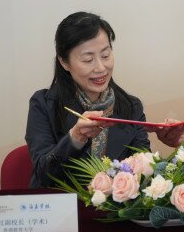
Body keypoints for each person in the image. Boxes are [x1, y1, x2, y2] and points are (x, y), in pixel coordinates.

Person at [25, 12, 152, 188]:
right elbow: (44, 176)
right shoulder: (43, 104)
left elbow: (144, 174)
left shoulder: (131, 107)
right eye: (88, 59)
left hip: (116, 213)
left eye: (106, 55)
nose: (100, 68)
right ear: (64, 62)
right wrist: (75, 138)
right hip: (65, 211)